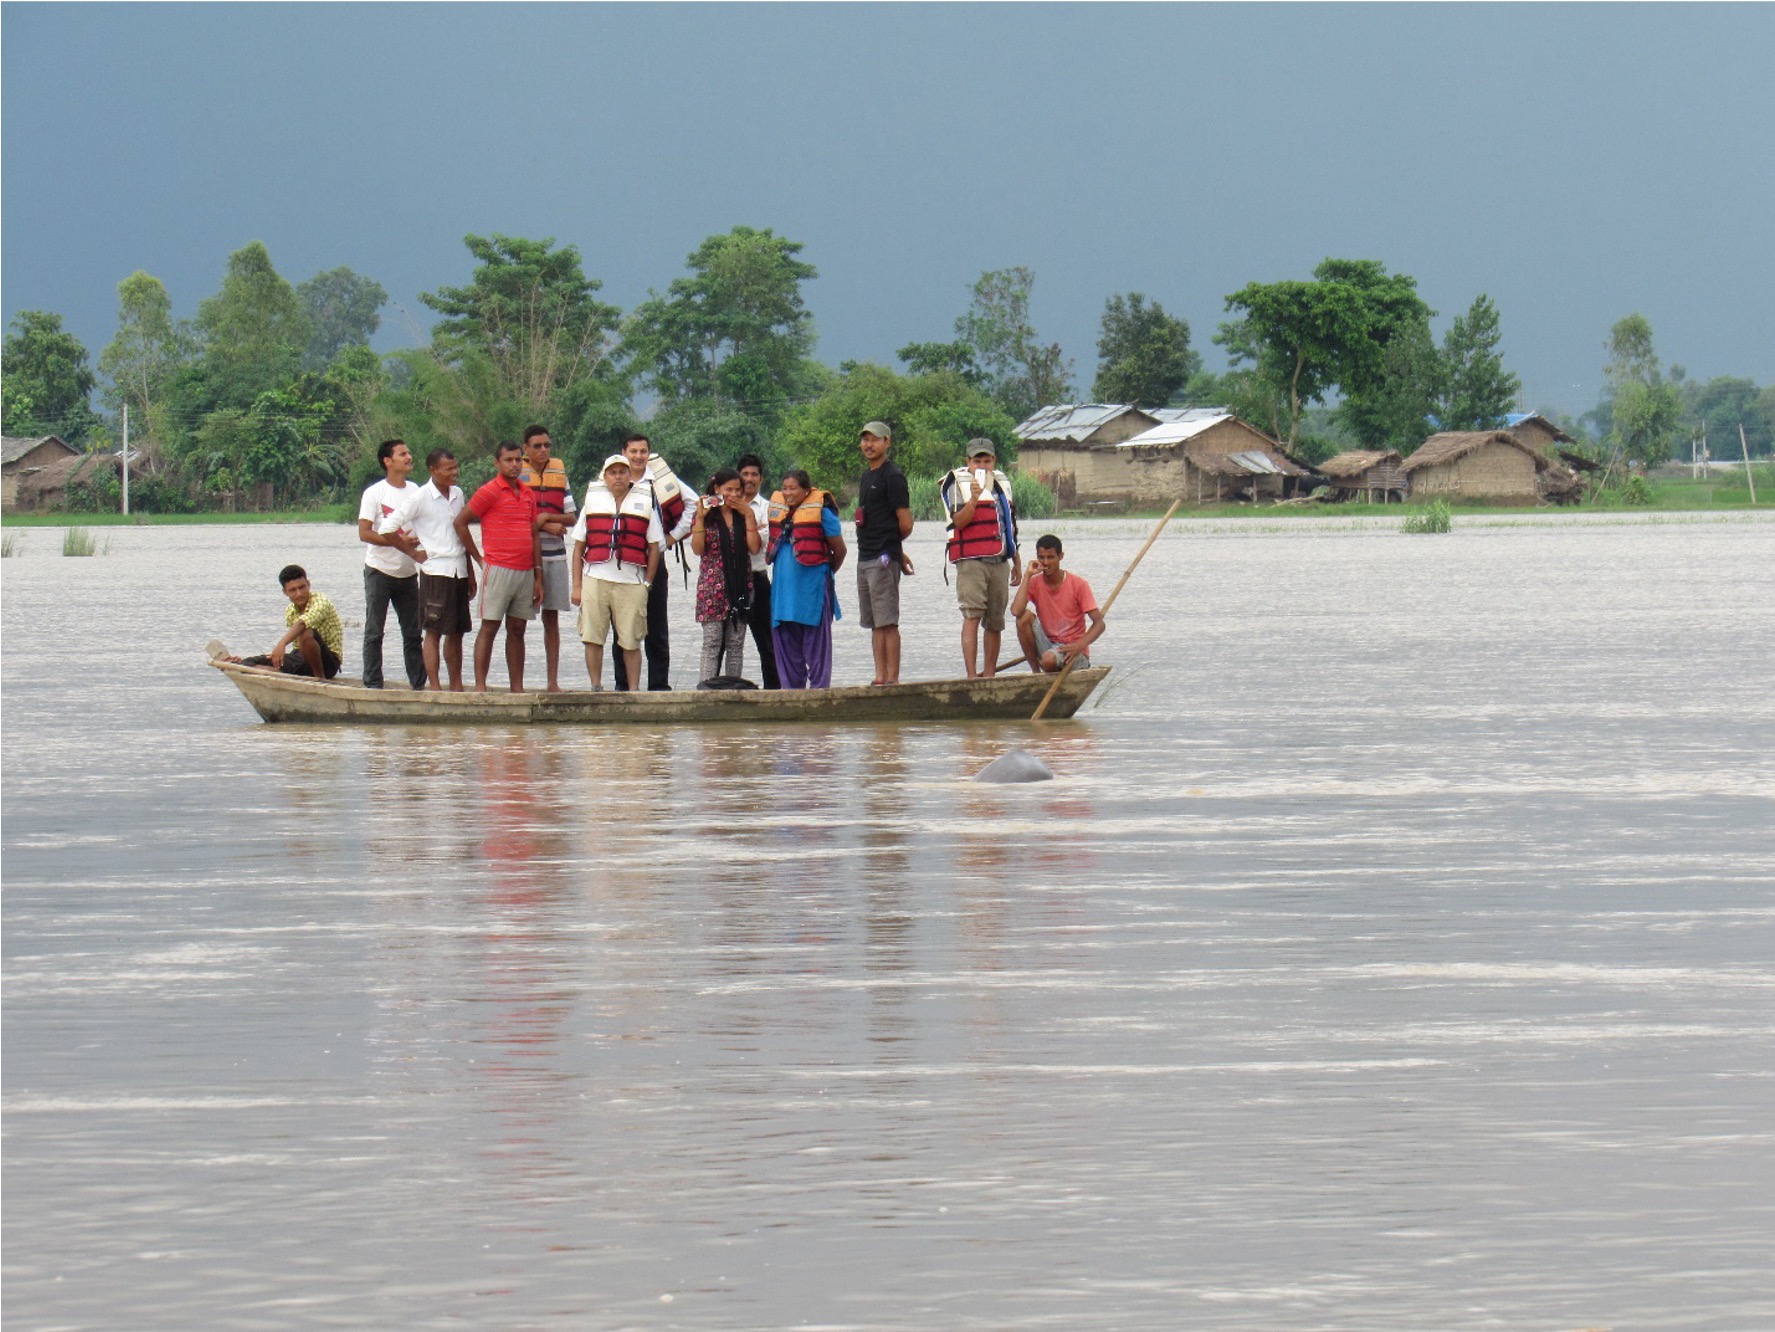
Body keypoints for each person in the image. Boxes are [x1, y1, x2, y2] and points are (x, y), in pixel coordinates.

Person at [454, 440, 542, 692]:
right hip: (498, 568)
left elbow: (534, 534)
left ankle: (517, 688)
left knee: (518, 629)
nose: (514, 465)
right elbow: (460, 522)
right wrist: (479, 558)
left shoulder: (528, 494)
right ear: (497, 463)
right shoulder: (489, 491)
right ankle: (480, 687)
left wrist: (538, 575)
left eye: (518, 460)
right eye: (508, 460)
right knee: (490, 626)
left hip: (525, 571)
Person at [570, 453, 663, 691]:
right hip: (595, 578)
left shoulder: (645, 503)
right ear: (605, 477)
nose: (618, 477)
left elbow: (654, 547)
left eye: (622, 472)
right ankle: (596, 686)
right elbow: (579, 546)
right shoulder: (592, 502)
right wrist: (577, 586)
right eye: (613, 473)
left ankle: (633, 690)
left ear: (630, 475)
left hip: (632, 581)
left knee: (631, 640)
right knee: (592, 637)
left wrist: (648, 583)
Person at [612, 432, 695, 691]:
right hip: (622, 565)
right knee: (622, 627)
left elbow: (694, 504)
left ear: (649, 453)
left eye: (643, 451)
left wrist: (671, 538)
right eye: (633, 451)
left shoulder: (659, 478)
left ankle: (659, 686)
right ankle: (623, 685)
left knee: (657, 627)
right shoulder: (614, 479)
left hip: (654, 562)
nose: (638, 456)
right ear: (623, 453)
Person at [392, 447, 477, 691]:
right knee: (433, 631)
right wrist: (412, 553)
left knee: (457, 631)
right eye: (448, 469)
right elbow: (388, 528)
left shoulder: (458, 494)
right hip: (435, 571)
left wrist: (470, 572)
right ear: (433, 470)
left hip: (458, 569)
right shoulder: (420, 497)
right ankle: (436, 687)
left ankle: (456, 685)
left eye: (455, 467)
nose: (454, 472)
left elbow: (461, 534)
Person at [940, 438, 1021, 678]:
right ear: (968, 461)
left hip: (999, 561)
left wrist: (1016, 561)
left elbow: (1009, 526)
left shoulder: (1001, 483)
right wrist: (974, 499)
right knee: (972, 616)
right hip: (972, 562)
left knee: (995, 622)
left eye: (987, 460)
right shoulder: (957, 484)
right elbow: (959, 521)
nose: (982, 465)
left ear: (994, 460)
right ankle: (971, 676)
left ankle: (989, 674)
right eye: (977, 461)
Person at [357, 439, 427, 689]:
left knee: (413, 633)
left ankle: (418, 684)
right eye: (402, 454)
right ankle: (373, 684)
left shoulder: (416, 490)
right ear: (387, 461)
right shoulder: (374, 493)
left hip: (407, 572)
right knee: (374, 632)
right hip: (379, 570)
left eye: (409, 453)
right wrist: (398, 541)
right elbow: (365, 533)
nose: (409, 457)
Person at [769, 468, 846, 689]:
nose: (787, 493)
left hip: (812, 590)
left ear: (806, 490)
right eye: (784, 488)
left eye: (792, 488)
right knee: (786, 644)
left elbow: (840, 550)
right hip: (783, 595)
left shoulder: (823, 513)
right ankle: (792, 695)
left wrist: (826, 573)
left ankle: (820, 694)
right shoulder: (778, 512)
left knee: (816, 646)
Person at [854, 420, 913, 685]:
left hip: (883, 559)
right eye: (865, 439)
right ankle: (880, 676)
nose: (869, 445)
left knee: (888, 621)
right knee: (874, 623)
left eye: (875, 439)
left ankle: (892, 678)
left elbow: (905, 523)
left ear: (886, 442)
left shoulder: (893, 476)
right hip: (864, 556)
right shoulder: (867, 476)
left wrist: (892, 549)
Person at [518, 424, 575, 693]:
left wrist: (547, 517)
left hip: (555, 556)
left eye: (547, 445)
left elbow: (572, 517)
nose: (543, 450)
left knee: (551, 619)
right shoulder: (516, 475)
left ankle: (553, 682)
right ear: (526, 449)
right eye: (537, 446)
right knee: (517, 620)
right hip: (523, 556)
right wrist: (544, 525)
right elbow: (513, 518)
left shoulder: (559, 473)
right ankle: (517, 685)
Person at [690, 467, 761, 682]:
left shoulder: (743, 514)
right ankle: (706, 690)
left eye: (738, 490)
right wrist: (700, 519)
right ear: (716, 489)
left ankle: (732, 689)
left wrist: (749, 515)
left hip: (740, 586)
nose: (734, 495)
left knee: (736, 644)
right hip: (712, 588)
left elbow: (754, 548)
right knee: (712, 643)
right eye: (728, 490)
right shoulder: (706, 515)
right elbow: (698, 549)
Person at [231, 564, 344, 679]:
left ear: (308, 584)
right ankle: (276, 673)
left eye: (302, 587)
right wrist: (277, 656)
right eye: (293, 590)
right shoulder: (290, 611)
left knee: (305, 632)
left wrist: (282, 644)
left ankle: (320, 678)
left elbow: (302, 623)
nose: (299, 594)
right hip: (302, 658)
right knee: (250, 662)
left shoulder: (321, 602)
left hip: (327, 663)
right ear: (285, 592)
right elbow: (297, 647)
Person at [1011, 534, 1106, 673]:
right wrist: (1027, 575)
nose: (1046, 562)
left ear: (1060, 556)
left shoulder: (1078, 584)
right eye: (1041, 557)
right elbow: (1016, 611)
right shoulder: (1034, 583)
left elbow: (1099, 624)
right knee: (1023, 618)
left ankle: (1050, 667)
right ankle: (1036, 673)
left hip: (1073, 651)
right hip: (1049, 646)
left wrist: (1080, 645)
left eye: (1050, 557)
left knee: (1048, 659)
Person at [736, 452, 780, 689]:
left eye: (754, 474)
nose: (749, 479)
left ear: (761, 478)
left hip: (758, 579)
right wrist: (754, 528)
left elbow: (761, 543)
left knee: (768, 642)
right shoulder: (726, 506)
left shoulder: (768, 508)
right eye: (745, 474)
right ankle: (723, 687)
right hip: (731, 580)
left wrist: (747, 529)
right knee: (727, 642)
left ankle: (773, 692)